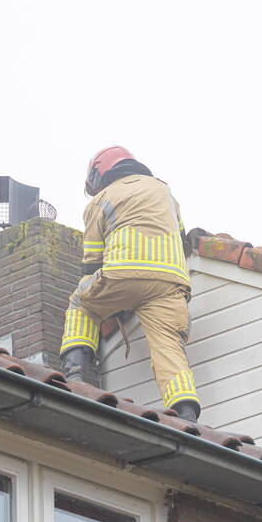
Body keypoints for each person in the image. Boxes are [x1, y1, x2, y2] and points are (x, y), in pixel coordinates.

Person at [60, 146, 200, 423]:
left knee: (81, 302)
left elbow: (91, 262)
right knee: (168, 348)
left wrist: (112, 302)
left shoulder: (100, 201)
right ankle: (186, 412)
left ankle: (73, 370)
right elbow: (181, 238)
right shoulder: (165, 192)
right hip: (170, 282)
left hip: (122, 273)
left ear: (99, 174)